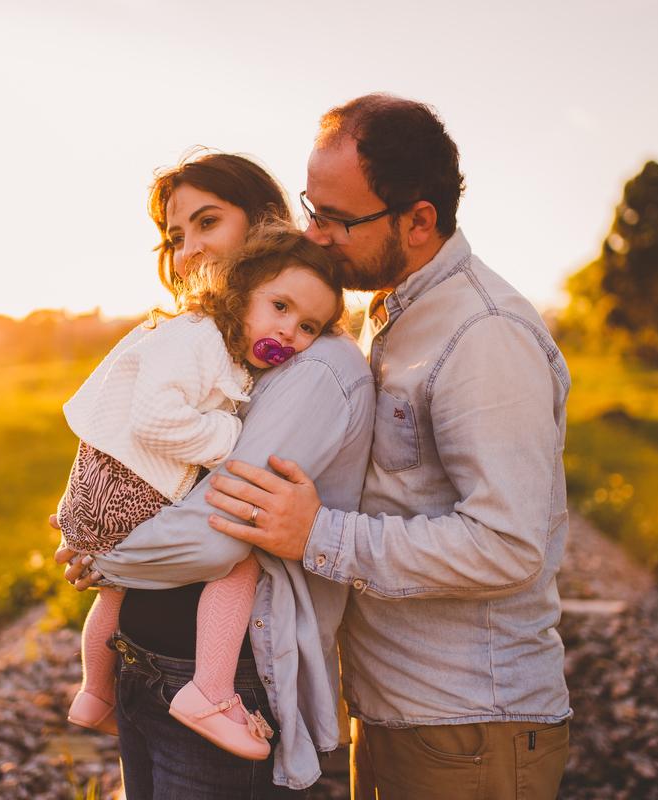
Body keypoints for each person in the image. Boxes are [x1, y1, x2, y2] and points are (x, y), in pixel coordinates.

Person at [203, 93, 573, 800]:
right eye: (312, 209)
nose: (313, 235)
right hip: (398, 715)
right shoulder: (386, 315)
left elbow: (509, 544)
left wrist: (317, 535)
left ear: (419, 220)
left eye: (337, 220)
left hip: (468, 729)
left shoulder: (482, 334)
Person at [55, 150, 375, 798]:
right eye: (176, 237)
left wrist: (107, 561)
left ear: (264, 229)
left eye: (207, 223)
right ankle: (98, 686)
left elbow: (220, 534)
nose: (188, 250)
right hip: (145, 663)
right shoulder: (216, 343)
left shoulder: (305, 364)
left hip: (222, 675)